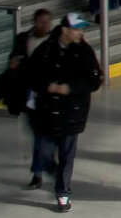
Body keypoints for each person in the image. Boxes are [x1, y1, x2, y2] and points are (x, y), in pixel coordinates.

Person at [24, 14, 101, 212]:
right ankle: (58, 176)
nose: (80, 33)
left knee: (67, 156)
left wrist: (70, 88)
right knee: (43, 152)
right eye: (76, 29)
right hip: (46, 111)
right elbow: (31, 74)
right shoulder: (46, 49)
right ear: (65, 30)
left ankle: (63, 194)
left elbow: (94, 81)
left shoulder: (84, 52)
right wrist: (47, 87)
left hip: (72, 113)